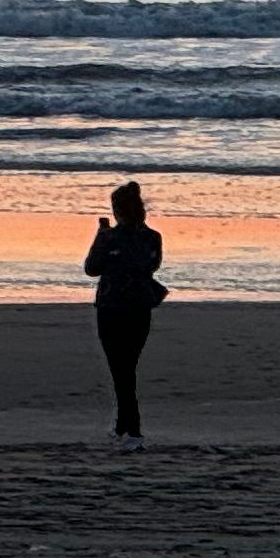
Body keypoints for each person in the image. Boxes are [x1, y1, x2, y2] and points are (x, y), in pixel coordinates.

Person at [82, 181, 166, 447]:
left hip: (112, 306)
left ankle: (133, 430)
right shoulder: (152, 237)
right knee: (126, 368)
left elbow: (92, 268)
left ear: (117, 210)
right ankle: (123, 426)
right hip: (139, 306)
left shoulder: (110, 238)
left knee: (121, 370)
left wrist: (102, 237)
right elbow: (153, 265)